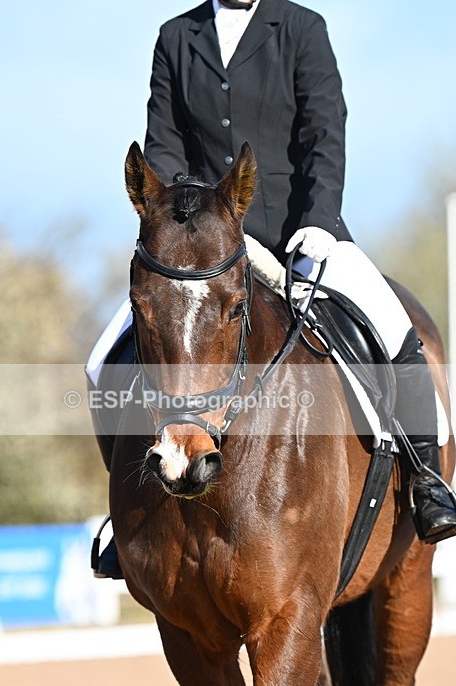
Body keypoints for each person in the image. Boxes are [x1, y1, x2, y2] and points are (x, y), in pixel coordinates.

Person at [90, 0, 456, 577]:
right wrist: (184, 223)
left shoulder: (302, 28)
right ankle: (129, 514)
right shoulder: (177, 36)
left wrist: (319, 220)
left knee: (395, 331)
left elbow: (323, 133)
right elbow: (162, 144)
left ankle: (426, 479)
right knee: (101, 360)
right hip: (208, 248)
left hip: (298, 231)